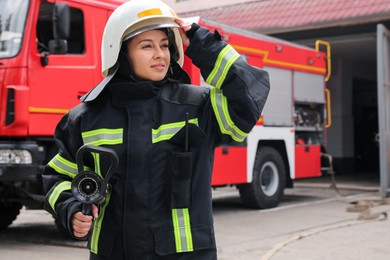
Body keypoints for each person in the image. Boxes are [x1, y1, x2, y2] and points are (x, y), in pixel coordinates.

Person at [42, 0, 270, 259]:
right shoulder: (85, 118)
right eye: (146, 46)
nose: (160, 54)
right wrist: (71, 209)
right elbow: (57, 178)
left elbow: (250, 95)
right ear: (120, 52)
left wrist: (201, 42)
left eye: (164, 45)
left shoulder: (198, 107)